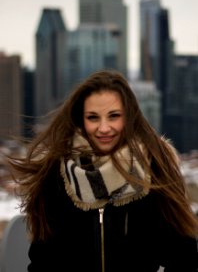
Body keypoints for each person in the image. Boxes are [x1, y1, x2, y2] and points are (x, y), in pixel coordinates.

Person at [9, 70, 198, 271]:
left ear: (129, 117)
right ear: (80, 120)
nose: (104, 128)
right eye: (93, 117)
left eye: (114, 116)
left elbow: (184, 258)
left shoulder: (154, 168)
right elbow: (43, 263)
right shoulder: (57, 173)